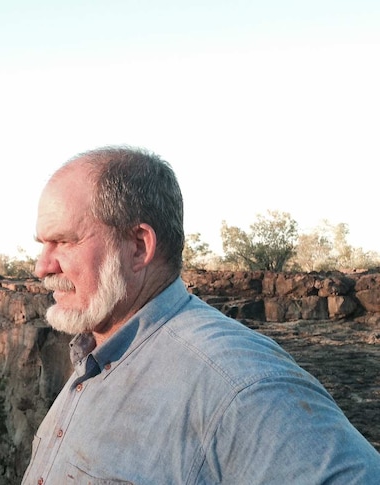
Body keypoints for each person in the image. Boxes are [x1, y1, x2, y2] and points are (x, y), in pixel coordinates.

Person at [23, 146, 380, 484]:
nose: (42, 267)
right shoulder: (95, 352)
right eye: (43, 244)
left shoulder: (243, 387)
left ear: (138, 246)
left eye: (64, 241)